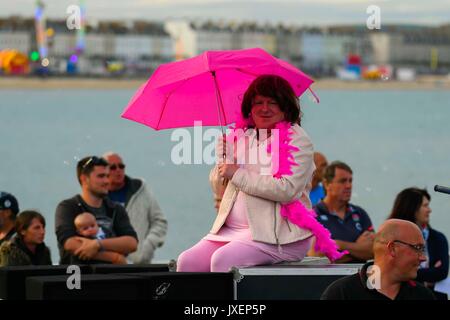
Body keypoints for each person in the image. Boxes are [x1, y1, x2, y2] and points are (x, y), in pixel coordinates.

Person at [177, 74, 344, 272]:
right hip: (232, 232)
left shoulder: (297, 140)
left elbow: (287, 189)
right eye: (258, 102)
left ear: (285, 107)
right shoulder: (242, 137)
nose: (264, 108)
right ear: (250, 107)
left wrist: (237, 173)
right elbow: (219, 187)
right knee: (187, 262)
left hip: (278, 237)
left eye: (272, 102)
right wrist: (223, 160)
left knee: (222, 260)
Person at [321, 219, 435, 300]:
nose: (423, 258)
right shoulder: (342, 293)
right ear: (392, 249)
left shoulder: (423, 295)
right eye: (417, 248)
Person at [55, 156, 138, 264]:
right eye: (101, 176)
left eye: (107, 176)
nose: (107, 181)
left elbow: (131, 243)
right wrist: (114, 258)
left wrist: (98, 244)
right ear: (84, 179)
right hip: (78, 278)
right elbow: (69, 243)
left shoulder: (116, 209)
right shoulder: (68, 207)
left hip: (113, 278)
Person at [103, 152, 168, 264]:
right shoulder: (98, 196)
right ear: (103, 171)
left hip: (139, 263)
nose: (118, 170)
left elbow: (159, 222)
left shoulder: (140, 190)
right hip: (107, 263)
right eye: (113, 167)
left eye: (121, 166)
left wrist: (148, 246)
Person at [388, 187, 449, 299]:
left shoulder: (438, 238)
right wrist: (429, 275)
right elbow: (392, 270)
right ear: (412, 208)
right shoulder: (391, 237)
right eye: (425, 206)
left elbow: (442, 272)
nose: (429, 210)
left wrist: (412, 274)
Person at [310, 161, 374, 263]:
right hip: (327, 278)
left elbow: (373, 251)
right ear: (327, 184)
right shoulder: (313, 215)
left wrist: (339, 244)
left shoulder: (360, 214)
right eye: (343, 181)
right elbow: (317, 257)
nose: (348, 186)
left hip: (358, 278)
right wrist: (358, 250)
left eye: (350, 181)